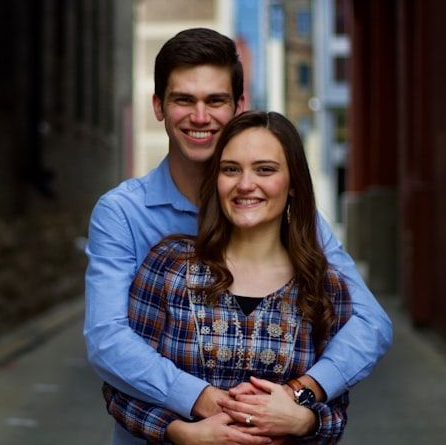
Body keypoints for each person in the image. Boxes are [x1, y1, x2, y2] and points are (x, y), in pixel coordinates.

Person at [83, 28, 391, 444]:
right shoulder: (125, 215)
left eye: (215, 100)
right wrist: (207, 407)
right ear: (158, 106)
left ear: (239, 106)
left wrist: (297, 396)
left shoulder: (291, 220)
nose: (200, 117)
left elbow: (369, 323)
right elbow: (108, 341)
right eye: (183, 100)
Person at [103, 110, 351, 443]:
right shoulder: (169, 267)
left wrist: (305, 421)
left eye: (265, 169)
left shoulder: (323, 286)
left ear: (293, 184)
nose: (245, 185)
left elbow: (337, 409)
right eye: (231, 169)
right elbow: (120, 388)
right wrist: (181, 433)